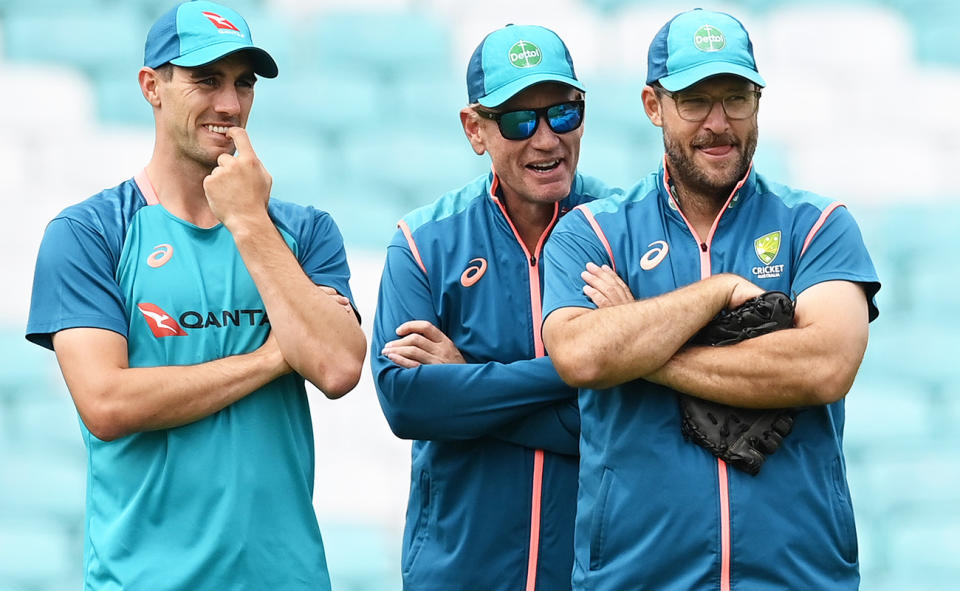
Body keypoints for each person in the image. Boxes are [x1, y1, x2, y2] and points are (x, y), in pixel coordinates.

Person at [25, 2, 366, 588]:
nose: (230, 105)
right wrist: (274, 356)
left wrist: (250, 223)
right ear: (151, 87)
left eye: (243, 84)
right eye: (206, 80)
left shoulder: (304, 231)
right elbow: (107, 404)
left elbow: (336, 366)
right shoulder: (88, 233)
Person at [540, 8, 881, 590]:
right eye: (695, 100)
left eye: (736, 98)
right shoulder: (590, 233)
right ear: (654, 107)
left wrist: (643, 352)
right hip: (636, 576)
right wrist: (716, 293)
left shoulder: (819, 224)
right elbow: (581, 356)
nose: (718, 122)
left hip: (797, 577)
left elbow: (826, 365)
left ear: (758, 102)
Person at [370, 24, 621, 591]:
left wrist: (466, 383)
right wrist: (584, 367)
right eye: (517, 120)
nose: (546, 140)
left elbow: (640, 417)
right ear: (475, 130)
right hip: (458, 574)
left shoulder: (624, 231)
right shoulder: (423, 243)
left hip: (593, 574)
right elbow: (408, 405)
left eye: (562, 113)